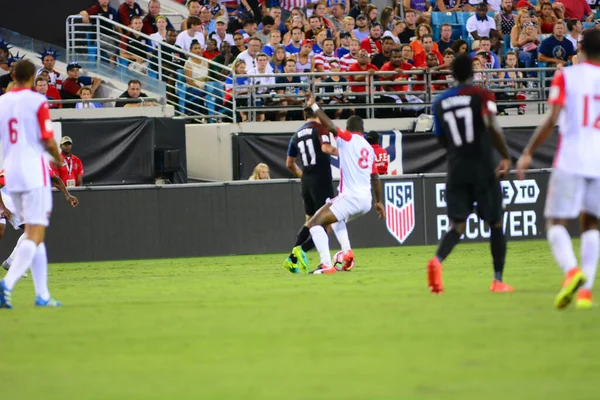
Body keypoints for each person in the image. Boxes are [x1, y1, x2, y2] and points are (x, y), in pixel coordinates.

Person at [516, 29, 600, 310]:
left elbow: (552, 119)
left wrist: (528, 152)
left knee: (555, 223)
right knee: (591, 224)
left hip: (571, 158)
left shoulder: (566, 75)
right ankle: (586, 292)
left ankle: (571, 270)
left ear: (581, 49)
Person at [428, 54, 513, 294]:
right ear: (472, 73)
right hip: (483, 166)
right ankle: (497, 281)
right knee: (495, 223)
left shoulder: (440, 101)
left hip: (456, 168)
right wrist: (505, 156)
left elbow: (440, 138)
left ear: (452, 74)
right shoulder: (482, 95)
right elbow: (492, 126)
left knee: (457, 225)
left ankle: (436, 261)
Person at [286, 92, 385, 274]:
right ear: (362, 130)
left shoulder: (347, 138)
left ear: (348, 128)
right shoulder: (369, 149)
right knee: (337, 220)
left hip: (350, 197)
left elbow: (330, 125)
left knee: (315, 223)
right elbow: (376, 178)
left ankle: (325, 264)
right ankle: (347, 253)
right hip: (366, 202)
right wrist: (379, 201)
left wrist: (315, 105)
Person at [0, 60, 64, 308]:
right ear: (33, 77)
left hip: (10, 173)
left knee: (35, 235)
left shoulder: (3, 102)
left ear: (13, 76)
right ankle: (7, 283)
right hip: (33, 172)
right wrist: (57, 160)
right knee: (35, 233)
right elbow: (47, 139)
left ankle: (43, 295)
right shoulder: (37, 101)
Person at [0, 166, 79, 277]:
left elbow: (55, 179)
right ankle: (11, 262)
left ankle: (11, 261)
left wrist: (67, 195)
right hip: (5, 198)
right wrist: (3, 207)